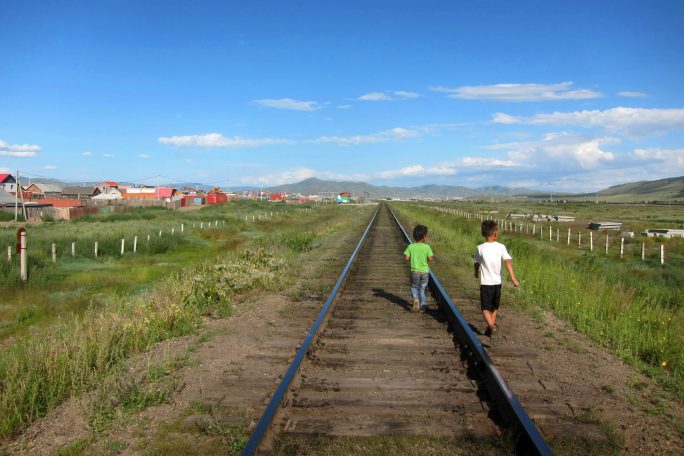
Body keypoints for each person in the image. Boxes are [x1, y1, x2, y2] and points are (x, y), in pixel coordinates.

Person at [473, 220, 519, 339]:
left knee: (484, 308)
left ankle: (491, 326)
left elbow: (476, 263)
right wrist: (514, 279)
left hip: (485, 283)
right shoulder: (501, 247)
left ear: (483, 233)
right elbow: (508, 263)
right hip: (497, 283)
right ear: (495, 233)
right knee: (494, 307)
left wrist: (476, 273)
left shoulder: (480, 248)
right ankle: (491, 326)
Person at [403, 224, 434, 312]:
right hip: (424, 272)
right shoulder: (427, 247)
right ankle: (423, 304)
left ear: (414, 236)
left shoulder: (411, 246)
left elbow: (406, 258)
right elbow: (430, 259)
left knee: (414, 287)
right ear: (424, 237)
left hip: (415, 272)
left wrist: (413, 259)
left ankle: (416, 299)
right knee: (422, 288)